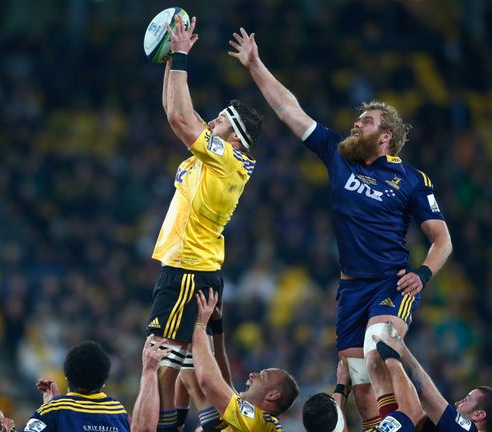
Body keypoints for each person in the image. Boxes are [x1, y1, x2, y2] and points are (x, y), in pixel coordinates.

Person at [228, 27, 453, 429]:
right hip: (351, 288)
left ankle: (412, 424)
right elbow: (288, 110)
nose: (355, 123)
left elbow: (442, 240)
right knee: (362, 383)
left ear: (386, 137)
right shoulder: (338, 155)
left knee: (379, 347)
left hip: (389, 281)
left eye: (365, 121)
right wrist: (255, 65)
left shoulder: (413, 180)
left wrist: (422, 274)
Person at [146, 14, 263, 432]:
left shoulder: (228, 161)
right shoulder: (218, 157)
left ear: (236, 137)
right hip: (199, 267)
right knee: (182, 365)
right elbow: (174, 110)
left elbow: (182, 119)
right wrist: (168, 60)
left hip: (188, 270)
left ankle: (161, 428)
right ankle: (183, 425)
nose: (211, 120)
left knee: (159, 359)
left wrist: (179, 55)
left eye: (221, 121)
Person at [193, 289, 300, 432]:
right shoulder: (249, 419)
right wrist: (217, 327)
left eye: (263, 376)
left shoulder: (260, 423)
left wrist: (200, 326)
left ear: (272, 395)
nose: (252, 375)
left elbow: (208, 381)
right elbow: (225, 382)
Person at [377, 323, 492, 432]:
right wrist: (400, 347)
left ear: (478, 414)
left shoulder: (465, 430)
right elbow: (415, 410)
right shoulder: (448, 429)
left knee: (404, 417)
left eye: (467, 399)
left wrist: (391, 355)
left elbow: (424, 390)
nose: (458, 402)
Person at [26, 341, 130, 432]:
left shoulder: (53, 411)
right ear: (103, 381)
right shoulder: (119, 413)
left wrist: (53, 407)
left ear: (67, 377)